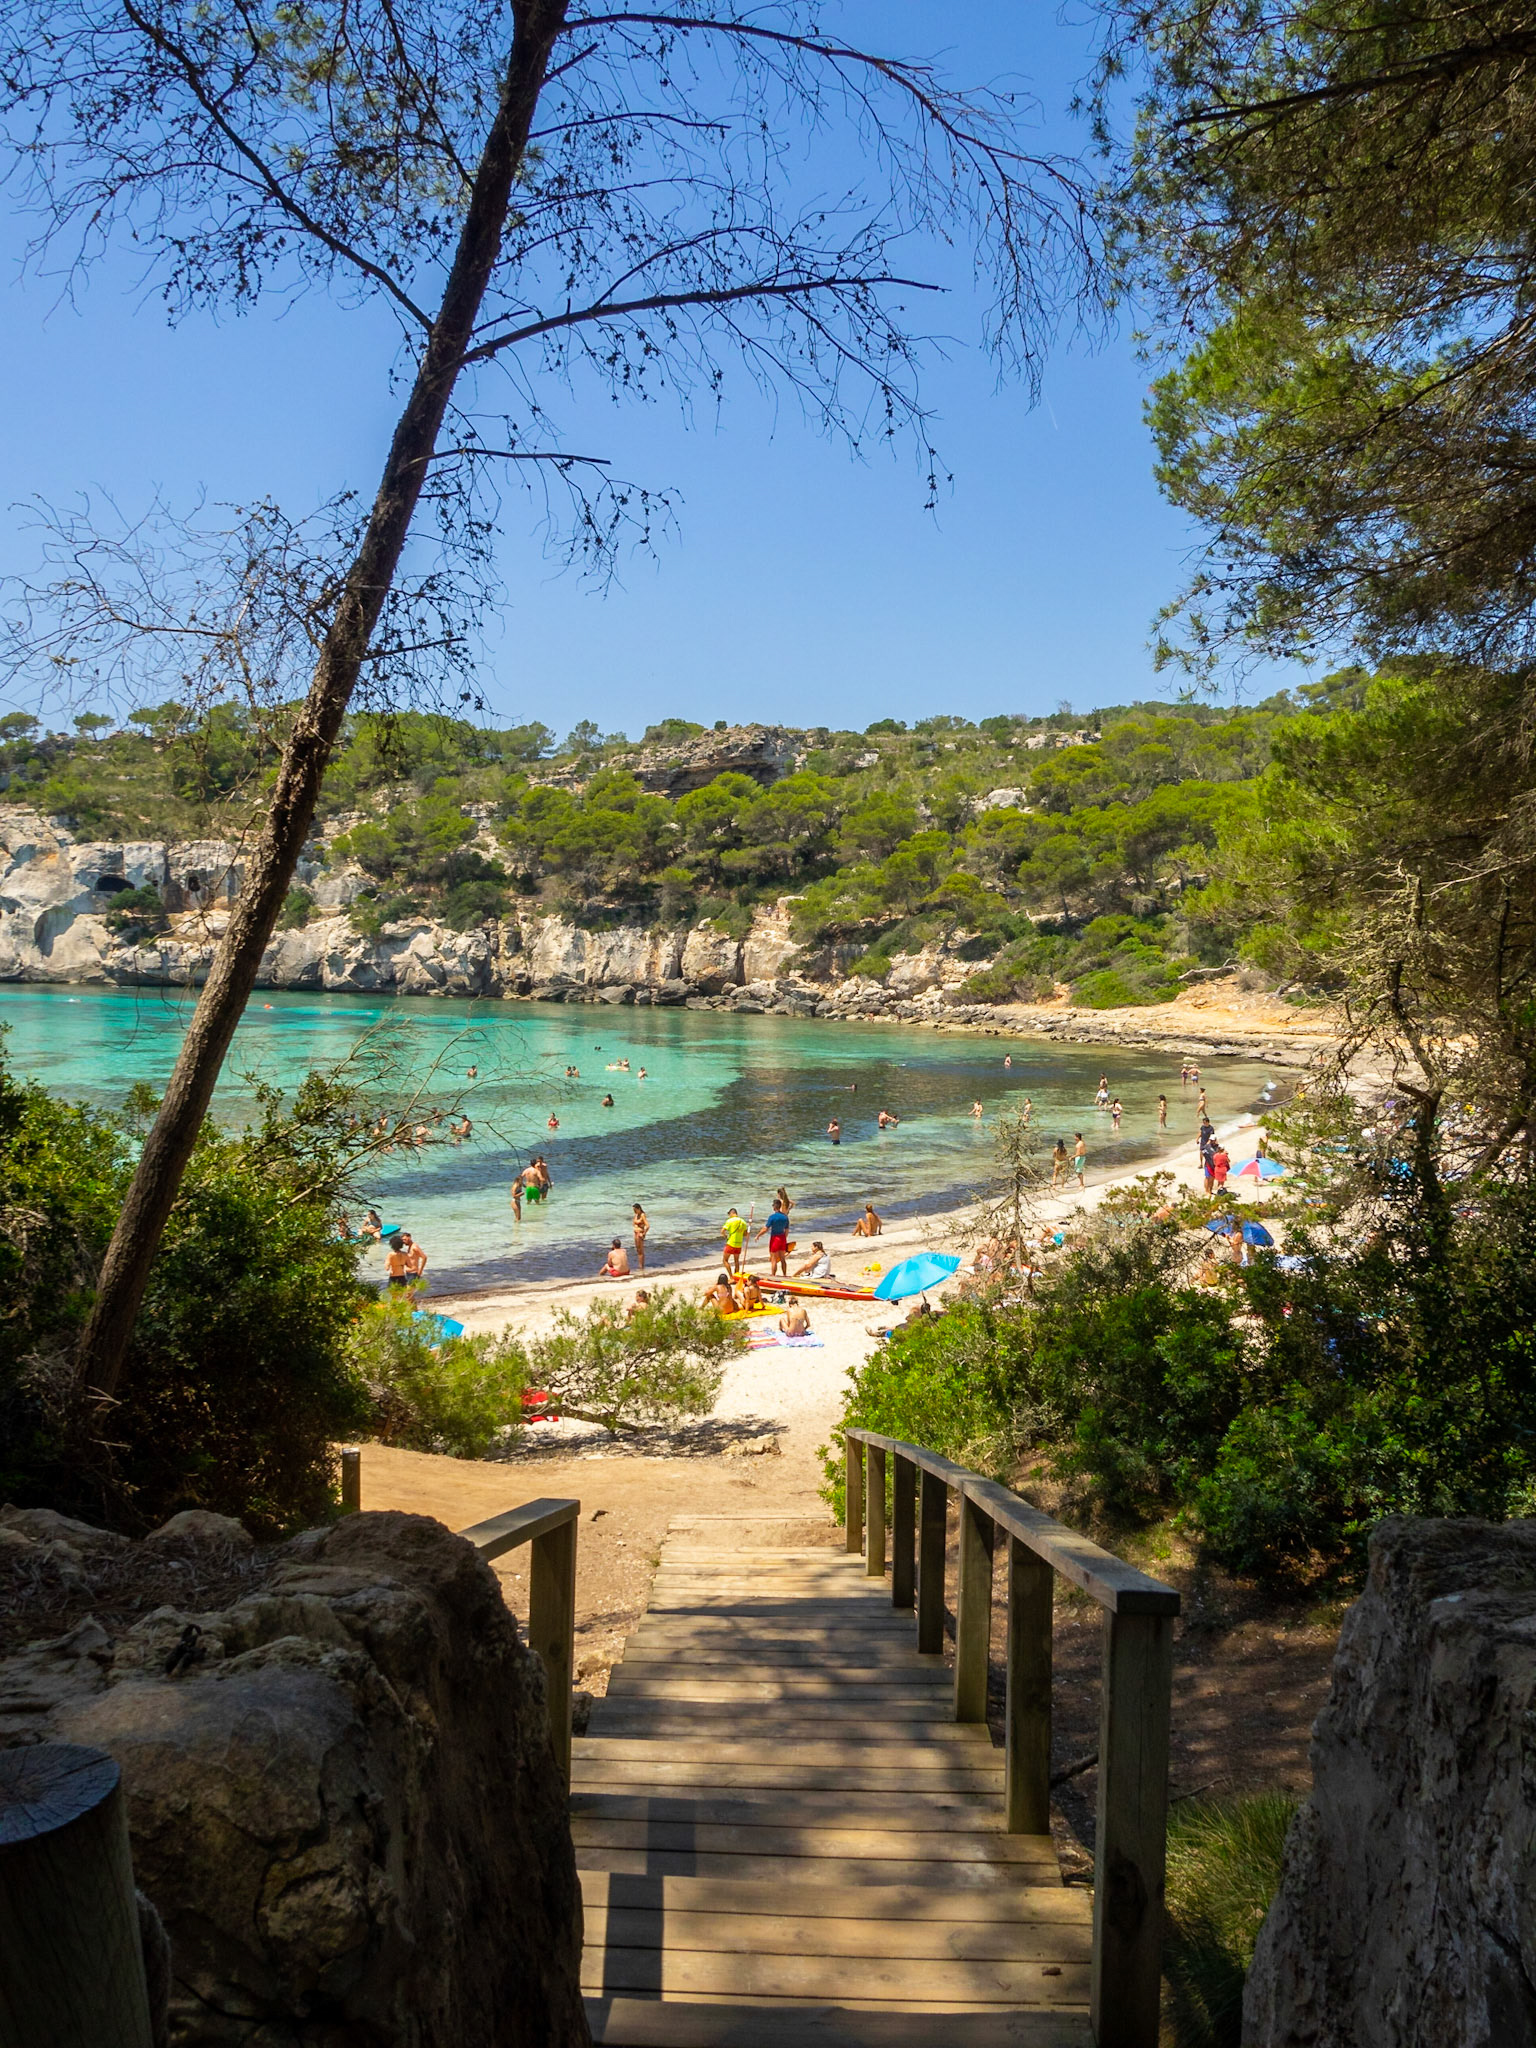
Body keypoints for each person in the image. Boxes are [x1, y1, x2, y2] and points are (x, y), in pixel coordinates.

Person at [756, 1197, 792, 1277]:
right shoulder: (785, 1217)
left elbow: (765, 1229)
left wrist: (758, 1235)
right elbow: (786, 1230)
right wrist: (784, 1238)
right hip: (782, 1238)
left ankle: (773, 1275)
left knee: (773, 1259)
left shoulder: (772, 1217)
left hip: (775, 1238)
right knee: (783, 1259)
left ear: (774, 1207)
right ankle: (784, 1274)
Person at [721, 1207, 749, 1273]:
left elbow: (722, 1231)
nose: (729, 1216)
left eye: (729, 1214)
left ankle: (731, 1277)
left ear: (731, 1213)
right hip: (739, 1244)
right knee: (736, 1261)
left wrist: (725, 1236)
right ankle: (736, 1276)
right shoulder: (743, 1222)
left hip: (731, 1243)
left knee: (725, 1260)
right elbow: (745, 1234)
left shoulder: (730, 1221)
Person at [632, 1202, 649, 1273]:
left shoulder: (642, 1215)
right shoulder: (636, 1215)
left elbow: (647, 1226)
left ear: (639, 1209)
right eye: (633, 1210)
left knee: (640, 1251)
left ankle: (641, 1266)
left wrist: (644, 1234)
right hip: (636, 1233)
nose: (634, 1211)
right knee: (637, 1250)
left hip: (640, 1234)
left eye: (635, 1210)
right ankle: (640, 1265)